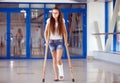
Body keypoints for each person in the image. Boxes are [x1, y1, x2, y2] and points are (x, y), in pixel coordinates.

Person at [44, 6, 68, 81]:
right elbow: (45, 32)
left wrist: (66, 41)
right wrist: (46, 41)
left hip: (59, 41)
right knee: (54, 59)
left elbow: (65, 32)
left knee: (58, 59)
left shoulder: (62, 21)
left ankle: (61, 73)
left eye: (56, 13)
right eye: (53, 13)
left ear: (59, 13)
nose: (54, 14)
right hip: (51, 41)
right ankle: (56, 76)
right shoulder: (49, 21)